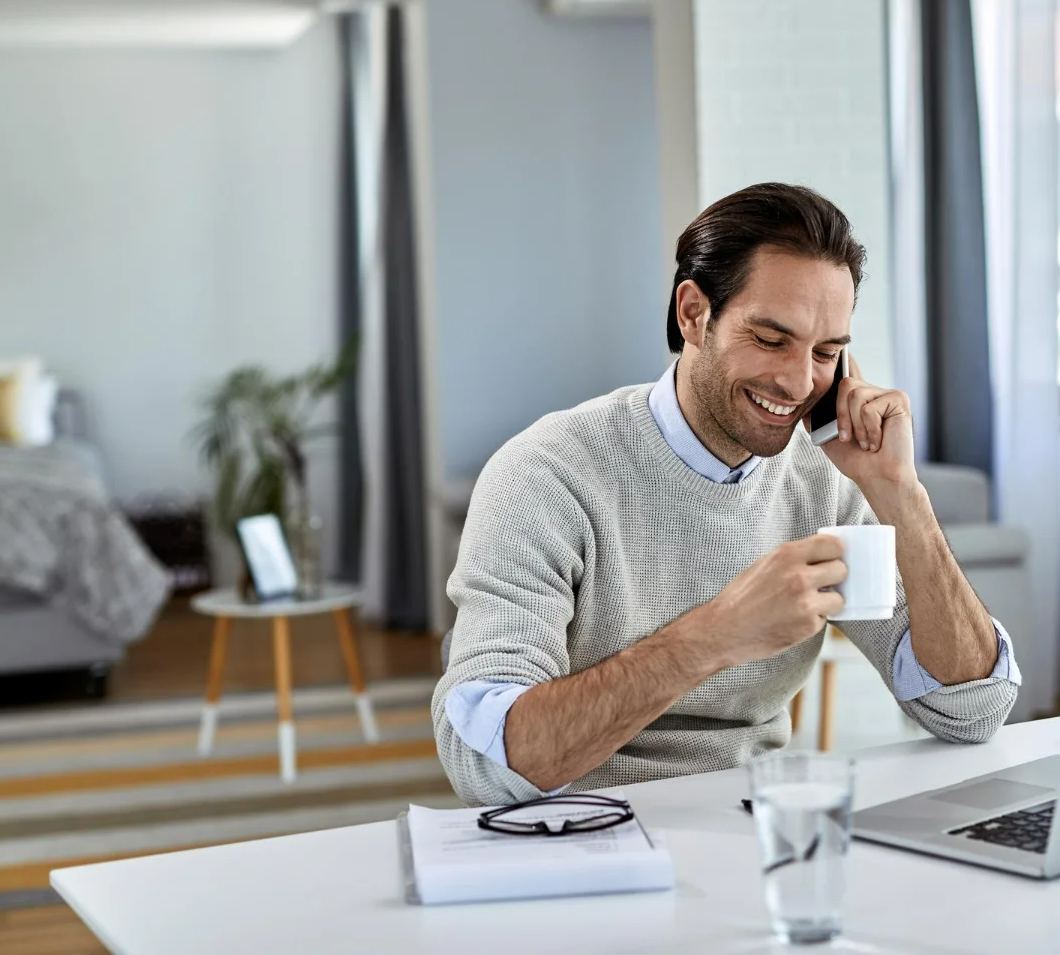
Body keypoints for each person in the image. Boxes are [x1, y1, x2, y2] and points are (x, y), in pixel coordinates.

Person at [433, 183, 1021, 806]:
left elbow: (972, 710)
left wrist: (900, 493)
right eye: (770, 340)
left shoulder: (828, 478)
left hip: (755, 826)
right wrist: (717, 635)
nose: (798, 383)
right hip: (581, 834)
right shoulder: (544, 476)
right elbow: (487, 761)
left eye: (826, 353)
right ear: (693, 314)